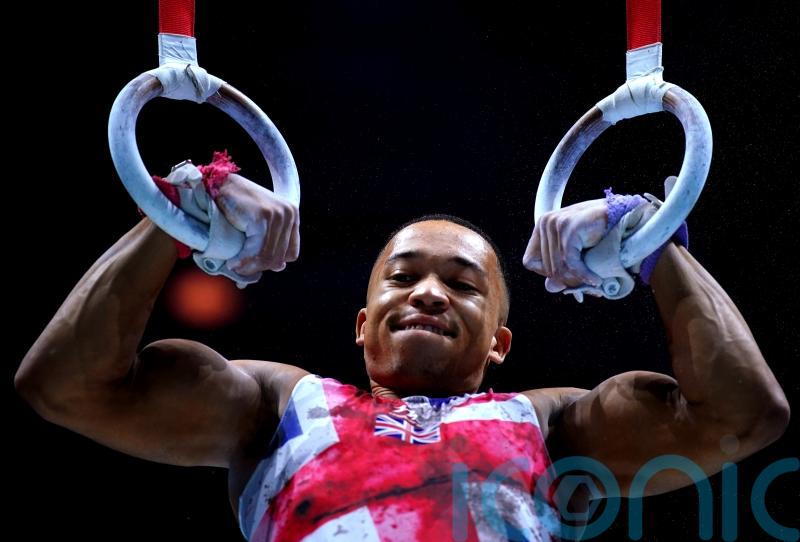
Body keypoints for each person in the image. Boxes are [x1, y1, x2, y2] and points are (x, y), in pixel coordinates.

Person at [15, 170, 789, 541]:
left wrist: (652, 244)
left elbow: (744, 416)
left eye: (462, 284)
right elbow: (64, 388)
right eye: (402, 276)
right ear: (362, 323)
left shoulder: (551, 425)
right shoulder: (277, 407)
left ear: (499, 342)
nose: (428, 293)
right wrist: (175, 214)